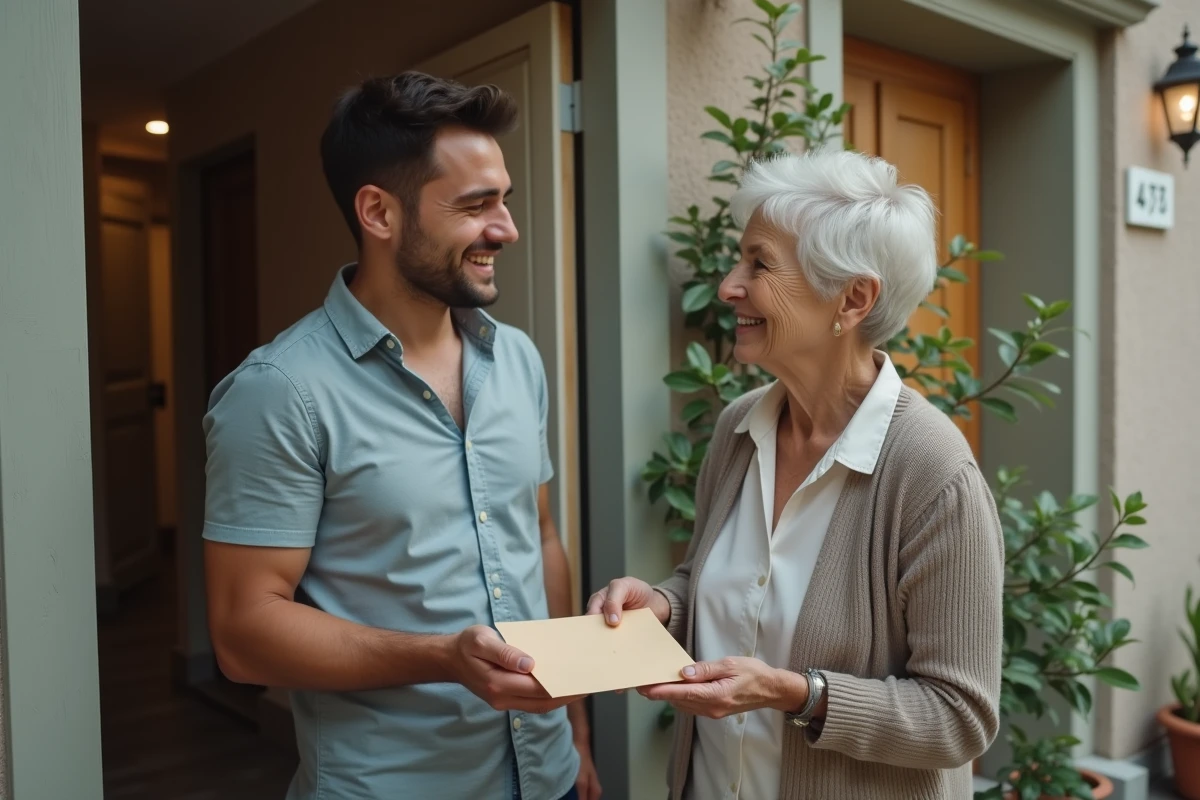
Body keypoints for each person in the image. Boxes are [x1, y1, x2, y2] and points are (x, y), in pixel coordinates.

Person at [202, 71, 599, 800]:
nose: (506, 228)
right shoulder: (278, 392)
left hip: (546, 775)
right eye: (477, 205)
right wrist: (445, 657)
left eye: (503, 199)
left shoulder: (517, 358)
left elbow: (537, 535)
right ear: (379, 213)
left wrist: (572, 730)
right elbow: (242, 633)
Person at [588, 149, 1004, 800]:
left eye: (759, 263)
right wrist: (664, 604)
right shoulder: (738, 428)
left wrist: (798, 694)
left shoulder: (931, 471)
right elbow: (719, 584)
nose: (729, 285)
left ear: (853, 298)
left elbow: (960, 716)